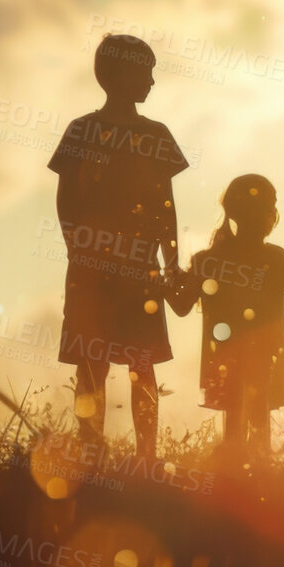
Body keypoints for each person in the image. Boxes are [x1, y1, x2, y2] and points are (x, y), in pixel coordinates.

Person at [49, 33, 189, 463]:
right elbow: (67, 200)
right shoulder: (85, 130)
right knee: (98, 365)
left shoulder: (149, 134)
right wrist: (79, 247)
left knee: (132, 366)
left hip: (128, 268)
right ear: (120, 75)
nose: (151, 82)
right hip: (101, 267)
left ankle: (141, 457)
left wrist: (171, 263)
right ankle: (97, 453)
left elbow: (165, 206)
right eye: (145, 72)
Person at [169, 175, 284, 464]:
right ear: (266, 216)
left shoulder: (206, 260)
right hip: (265, 355)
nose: (274, 215)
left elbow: (181, 306)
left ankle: (231, 478)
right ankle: (258, 476)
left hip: (224, 357)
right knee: (259, 419)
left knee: (234, 415)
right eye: (271, 207)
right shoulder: (275, 257)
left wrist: (164, 276)